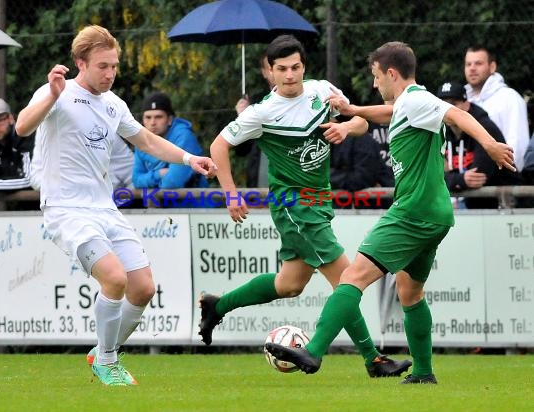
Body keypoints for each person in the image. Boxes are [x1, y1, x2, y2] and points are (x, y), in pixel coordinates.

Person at [265, 41, 515, 384]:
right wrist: (352, 108)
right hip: (435, 213)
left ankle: (315, 350)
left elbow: (457, 114)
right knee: (410, 292)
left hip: (413, 211)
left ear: (391, 73)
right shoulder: (409, 104)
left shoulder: (417, 100)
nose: (374, 83)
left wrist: (489, 144)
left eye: (376, 76)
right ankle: (424, 373)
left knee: (352, 277)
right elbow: (390, 112)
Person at [200, 34, 412, 379]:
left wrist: (346, 127)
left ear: (304, 67)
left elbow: (360, 121)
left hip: (318, 201)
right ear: (270, 71)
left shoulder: (321, 90)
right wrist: (231, 194)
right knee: (347, 280)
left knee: (289, 284)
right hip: (293, 206)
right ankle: (374, 359)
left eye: (295, 67)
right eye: (281, 69)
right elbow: (218, 145)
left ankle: (217, 306)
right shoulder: (262, 113)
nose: (289, 75)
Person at [14, 25, 216, 386]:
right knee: (114, 277)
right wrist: (51, 95)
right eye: (102, 66)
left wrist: (189, 158)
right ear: (80, 63)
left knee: (142, 288)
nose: (110, 73)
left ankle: (101, 351)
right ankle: (107, 361)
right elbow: (22, 127)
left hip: (103, 207)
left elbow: (148, 141)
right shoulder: (55, 92)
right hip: (66, 209)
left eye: (115, 66)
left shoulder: (113, 104)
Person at [438, 81, 522, 208]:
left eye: (453, 104)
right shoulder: (439, 130)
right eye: (443, 105)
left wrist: (449, 177)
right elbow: (429, 174)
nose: (448, 111)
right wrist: (459, 179)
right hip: (468, 202)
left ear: (466, 104)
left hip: (504, 204)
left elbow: (478, 177)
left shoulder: (484, 127)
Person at [464, 45, 529, 171]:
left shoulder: (509, 98)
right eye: (468, 64)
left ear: (492, 67)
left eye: (478, 63)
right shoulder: (463, 101)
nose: (472, 68)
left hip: (502, 181)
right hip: (467, 178)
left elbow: (518, 145)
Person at [133, 91, 208, 190]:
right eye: (148, 117)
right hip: (160, 203)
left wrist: (149, 182)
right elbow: (136, 181)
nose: (152, 123)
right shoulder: (142, 138)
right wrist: (158, 174)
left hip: (193, 203)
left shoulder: (183, 136)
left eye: (158, 117)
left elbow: (172, 183)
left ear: (169, 120)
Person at [234, 53, 275, 188]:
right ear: (264, 72)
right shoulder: (253, 103)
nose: (274, 71)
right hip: (260, 183)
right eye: (270, 67)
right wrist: (241, 119)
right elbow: (241, 150)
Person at [330, 131, 392, 209]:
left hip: (374, 209)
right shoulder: (327, 141)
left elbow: (361, 179)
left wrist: (330, 177)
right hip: (342, 208)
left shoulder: (362, 140)